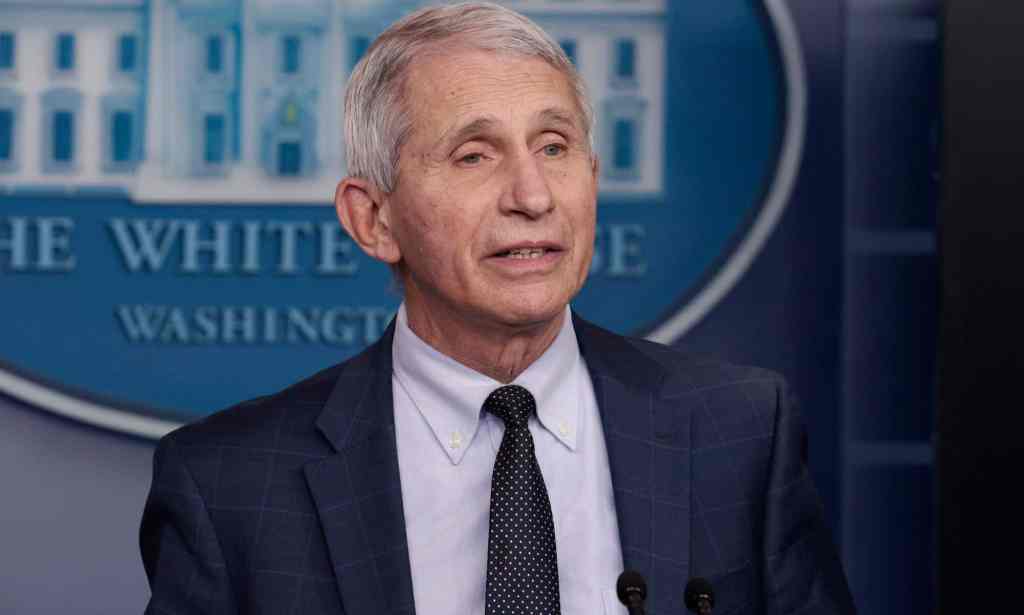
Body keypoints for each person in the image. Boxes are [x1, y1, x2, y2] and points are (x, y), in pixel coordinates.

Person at [139, 3, 855, 614]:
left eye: (554, 146)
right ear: (374, 219)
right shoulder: (228, 487)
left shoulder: (740, 434)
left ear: (593, 179)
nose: (533, 195)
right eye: (474, 155)